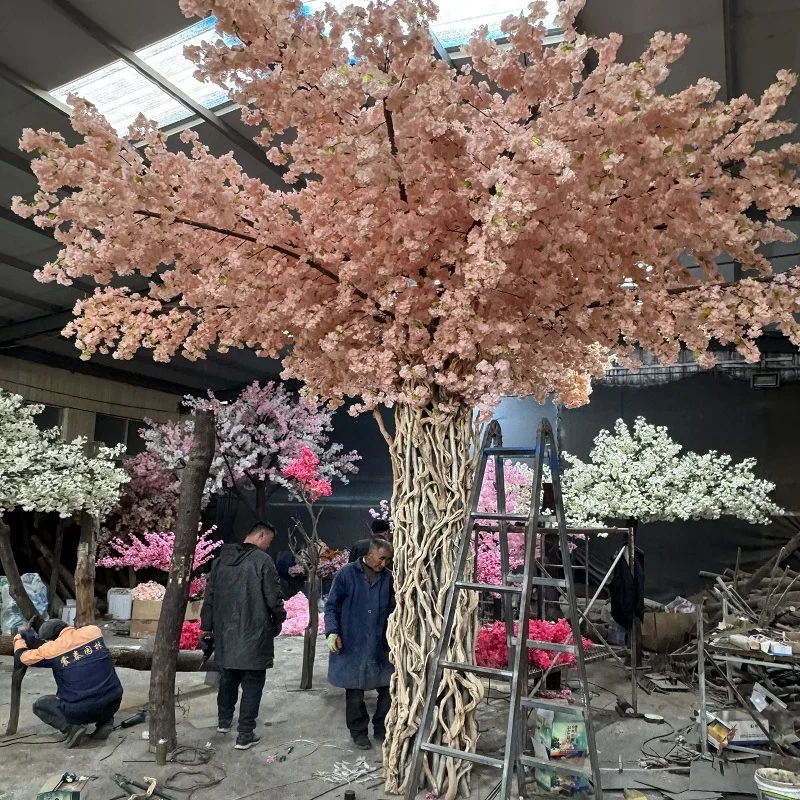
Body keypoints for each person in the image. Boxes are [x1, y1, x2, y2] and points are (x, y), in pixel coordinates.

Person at [201, 521, 286, 750]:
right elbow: (273, 597)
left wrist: (207, 629)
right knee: (252, 683)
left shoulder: (220, 562)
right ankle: (245, 735)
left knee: (228, 678)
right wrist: (279, 619)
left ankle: (223, 722)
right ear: (260, 535)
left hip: (226, 634)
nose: (268, 546)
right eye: (269, 541)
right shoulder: (262, 561)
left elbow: (209, 598)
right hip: (255, 634)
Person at [325, 537, 395, 750]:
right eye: (381, 558)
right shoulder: (347, 574)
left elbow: (395, 608)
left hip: (380, 643)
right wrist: (332, 631)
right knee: (354, 692)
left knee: (388, 689)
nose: (384, 564)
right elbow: (331, 606)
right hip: (352, 641)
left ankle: (382, 729)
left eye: (388, 560)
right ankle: (358, 732)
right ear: (370, 553)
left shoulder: (389, 578)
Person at [13, 618, 123, 748]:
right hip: (114, 701)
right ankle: (105, 722)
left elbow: (22, 657)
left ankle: (71, 728)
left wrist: (19, 637)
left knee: (40, 705)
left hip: (80, 710)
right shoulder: (94, 631)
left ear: (51, 639)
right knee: (100, 686)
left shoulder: (52, 648)